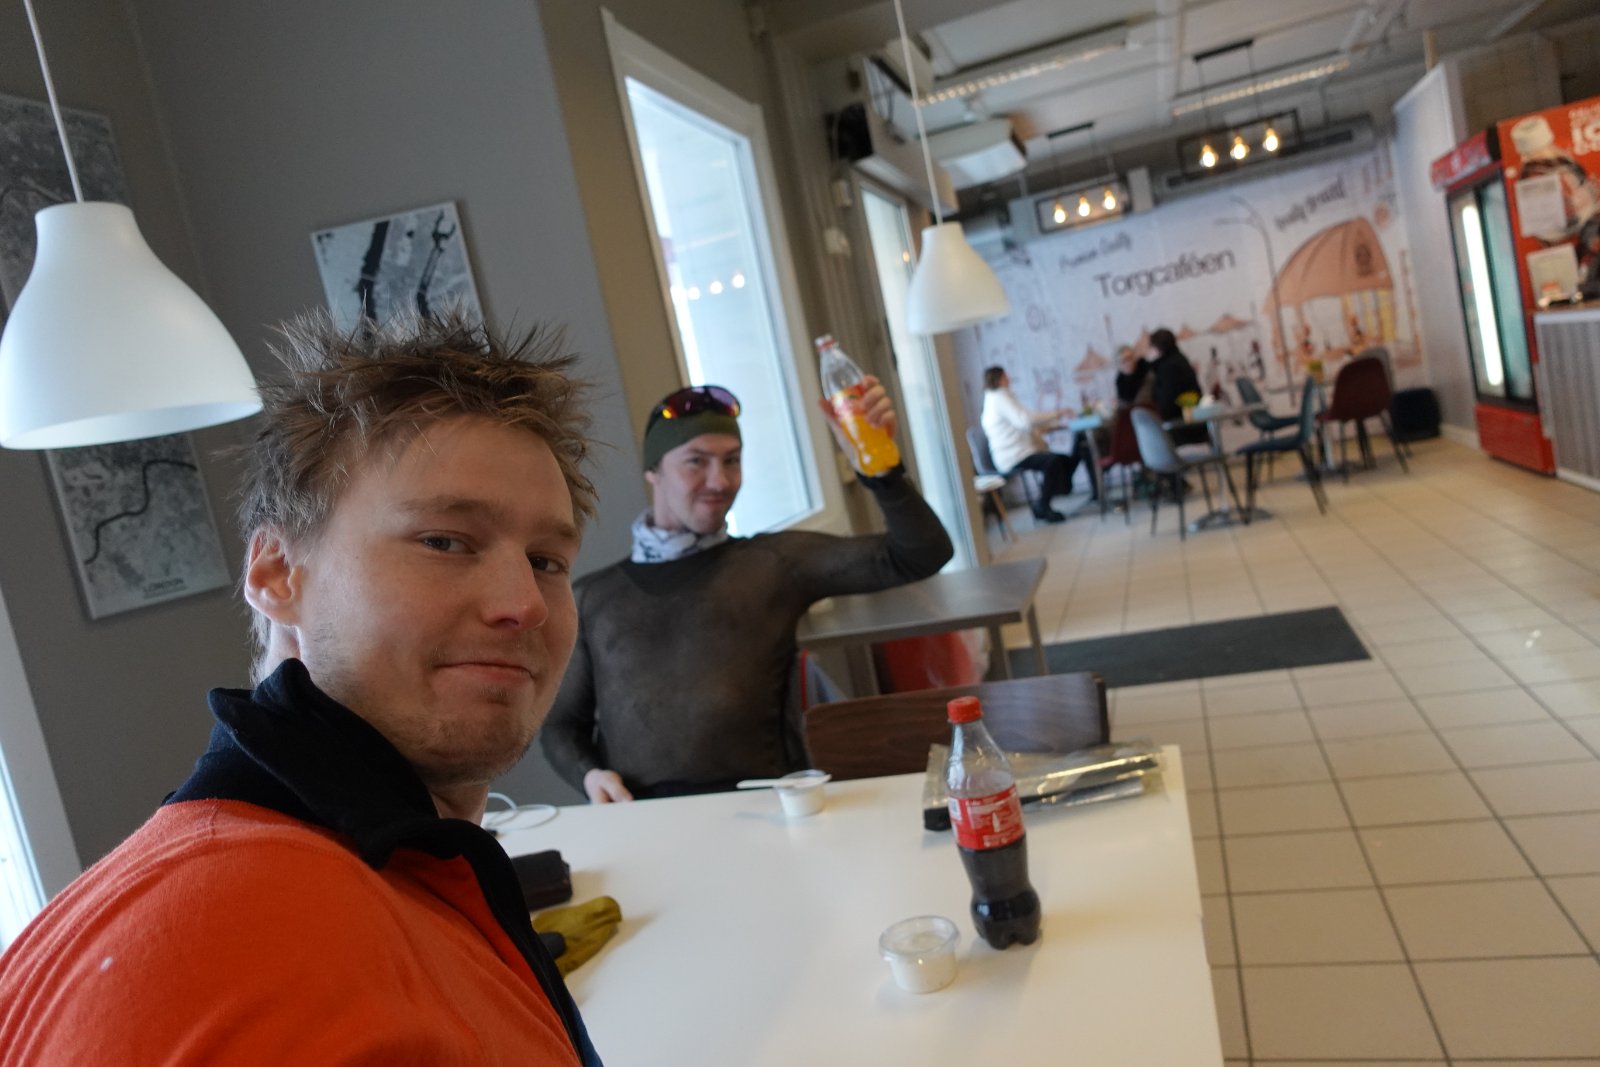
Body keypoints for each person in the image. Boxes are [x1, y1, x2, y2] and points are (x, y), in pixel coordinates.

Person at [0, 312, 603, 1065]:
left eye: (547, 560)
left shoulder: (370, 880)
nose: (525, 603)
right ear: (278, 573)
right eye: (444, 541)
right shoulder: (239, 932)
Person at [540, 379, 952, 802]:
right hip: (647, 817)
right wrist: (590, 776)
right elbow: (560, 726)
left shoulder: (774, 565)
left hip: (767, 807)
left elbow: (921, 554)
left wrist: (882, 470)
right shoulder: (594, 598)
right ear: (654, 472)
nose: (719, 480)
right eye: (696, 461)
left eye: (732, 460)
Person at [979, 366, 1081, 522]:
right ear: (999, 379)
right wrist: (1057, 414)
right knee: (1053, 462)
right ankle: (1043, 505)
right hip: (1013, 456)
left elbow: (1024, 423)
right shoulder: (999, 399)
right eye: (1006, 376)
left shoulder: (997, 399)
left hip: (1018, 452)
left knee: (1063, 460)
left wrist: (1053, 424)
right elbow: (1025, 420)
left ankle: (1058, 492)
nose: (1009, 379)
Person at [1147, 327, 1209, 447]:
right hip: (1193, 423)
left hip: (1183, 428)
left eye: (1151, 348)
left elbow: (1167, 405)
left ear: (1157, 349)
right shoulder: (1179, 360)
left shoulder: (1168, 368)